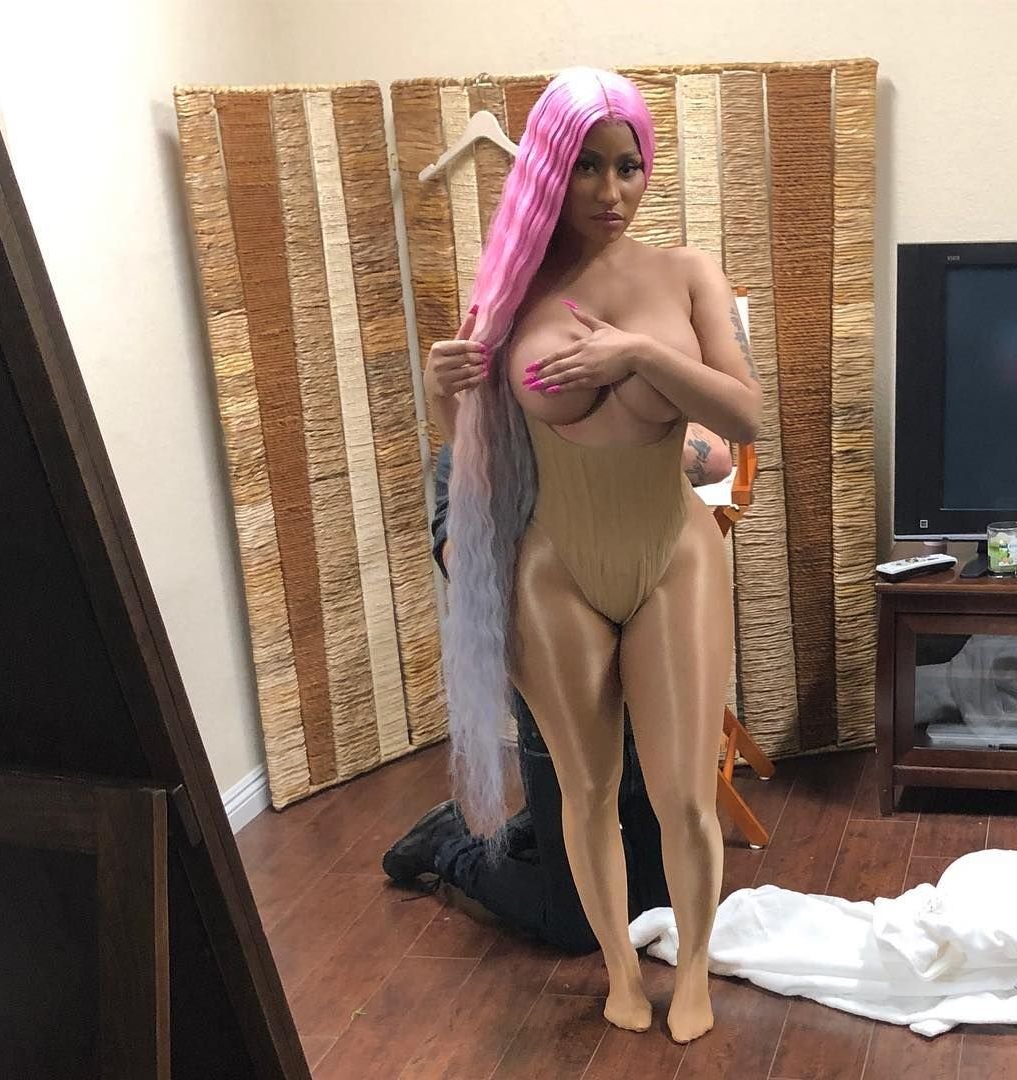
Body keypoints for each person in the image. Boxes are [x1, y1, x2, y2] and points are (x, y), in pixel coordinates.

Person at [423, 68, 761, 1041]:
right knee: (584, 790)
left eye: (629, 165)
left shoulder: (686, 274)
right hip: (554, 568)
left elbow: (744, 417)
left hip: (671, 556)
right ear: (548, 171)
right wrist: (445, 390)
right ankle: (619, 969)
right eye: (585, 167)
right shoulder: (509, 292)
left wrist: (640, 356)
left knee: (684, 796)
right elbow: (478, 457)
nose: (612, 190)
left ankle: (690, 974)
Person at [383, 426, 730, 954]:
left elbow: (717, 459)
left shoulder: (622, 408)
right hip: (560, 683)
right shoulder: (479, 440)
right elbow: (460, 560)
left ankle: (532, 830)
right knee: (577, 927)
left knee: (661, 905)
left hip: (649, 670)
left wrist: (608, 434)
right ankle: (447, 843)